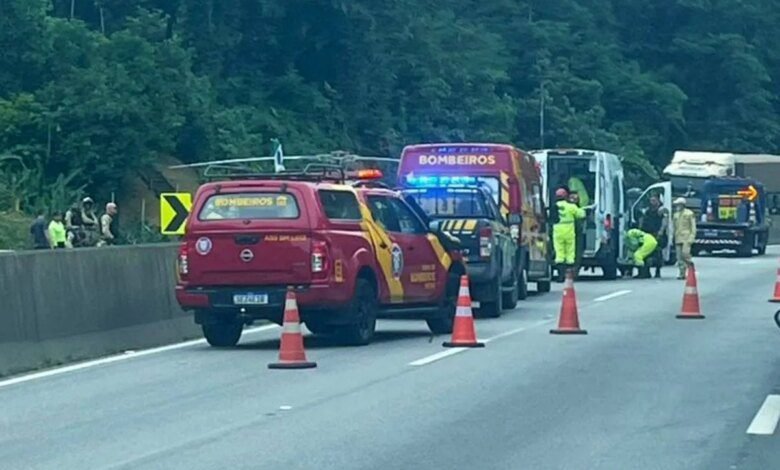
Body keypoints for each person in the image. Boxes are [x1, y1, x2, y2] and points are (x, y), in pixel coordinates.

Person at [552, 187, 586, 282]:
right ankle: (569, 274)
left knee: (559, 253)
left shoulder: (554, 206)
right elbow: (581, 214)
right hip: (569, 232)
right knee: (570, 254)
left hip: (557, 231)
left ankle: (560, 276)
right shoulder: (571, 206)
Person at [639, 195, 669, 278]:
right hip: (648, 234)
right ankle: (646, 272)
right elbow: (643, 220)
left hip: (657, 234)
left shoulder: (661, 210)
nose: (652, 202)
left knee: (657, 253)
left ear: (658, 201)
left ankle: (657, 271)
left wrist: (661, 232)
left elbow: (664, 221)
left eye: (654, 200)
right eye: (651, 200)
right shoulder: (648, 210)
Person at [672, 197, 696, 280]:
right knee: (679, 257)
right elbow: (674, 227)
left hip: (687, 237)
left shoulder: (689, 213)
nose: (677, 206)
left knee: (685, 254)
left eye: (678, 204)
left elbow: (693, 227)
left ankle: (690, 266)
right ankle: (682, 273)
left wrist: (692, 237)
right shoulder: (675, 215)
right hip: (678, 237)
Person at [568, 192, 585, 277]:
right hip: (573, 234)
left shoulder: (563, 207)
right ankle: (573, 270)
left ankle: (572, 271)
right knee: (575, 253)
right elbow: (582, 215)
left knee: (575, 253)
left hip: (572, 234)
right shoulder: (575, 209)